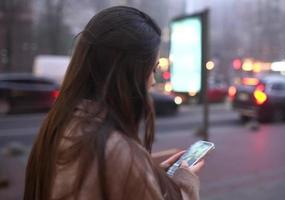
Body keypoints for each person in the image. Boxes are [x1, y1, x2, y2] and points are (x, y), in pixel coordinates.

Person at [24, 6, 204, 200]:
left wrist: (147, 176)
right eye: (153, 68)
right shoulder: (114, 150)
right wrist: (185, 184)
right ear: (128, 71)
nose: (153, 80)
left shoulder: (60, 124)